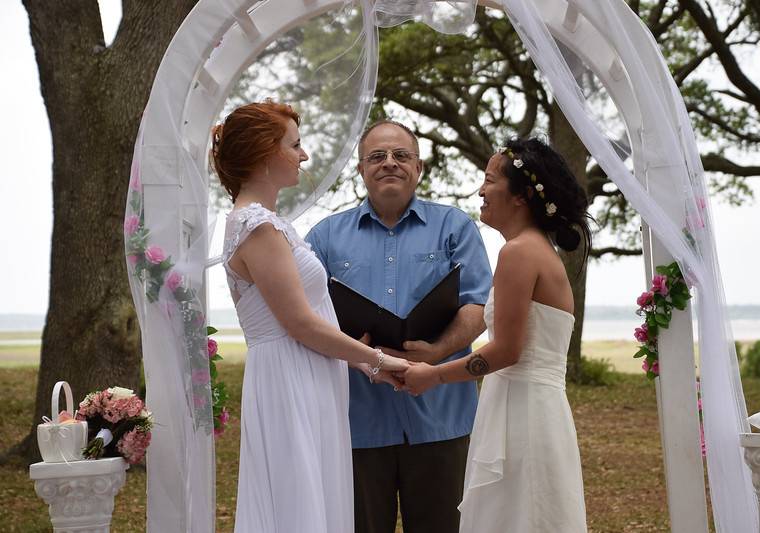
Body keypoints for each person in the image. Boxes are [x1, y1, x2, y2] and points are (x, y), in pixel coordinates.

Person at [211, 101, 409, 533]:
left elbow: (311, 318)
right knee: (297, 501)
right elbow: (299, 323)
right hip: (290, 378)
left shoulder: (267, 223)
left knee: (316, 495)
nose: (304, 155)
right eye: (295, 145)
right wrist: (378, 358)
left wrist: (361, 364)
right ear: (266, 153)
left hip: (309, 372)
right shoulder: (255, 226)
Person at [305, 120, 493, 533]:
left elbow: (478, 304)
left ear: (419, 167)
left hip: (441, 418)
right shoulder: (323, 237)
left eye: (400, 155)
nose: (389, 163)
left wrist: (436, 352)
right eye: (377, 156)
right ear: (360, 170)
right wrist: (359, 356)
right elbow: (308, 319)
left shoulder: (455, 227)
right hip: (356, 421)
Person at [402, 137, 591, 532]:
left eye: (489, 180)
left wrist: (433, 374)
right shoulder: (538, 250)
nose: (481, 191)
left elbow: (506, 350)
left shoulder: (519, 252)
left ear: (521, 195)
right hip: (532, 406)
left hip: (521, 414)